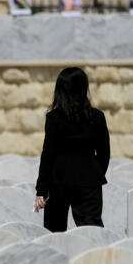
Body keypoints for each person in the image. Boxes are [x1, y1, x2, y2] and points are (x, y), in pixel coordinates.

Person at [34, 67, 110, 232]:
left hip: (59, 181)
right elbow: (104, 153)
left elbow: (48, 155)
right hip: (89, 182)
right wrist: (95, 173)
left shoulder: (54, 118)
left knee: (54, 232)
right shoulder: (97, 117)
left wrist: (41, 190)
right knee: (92, 232)